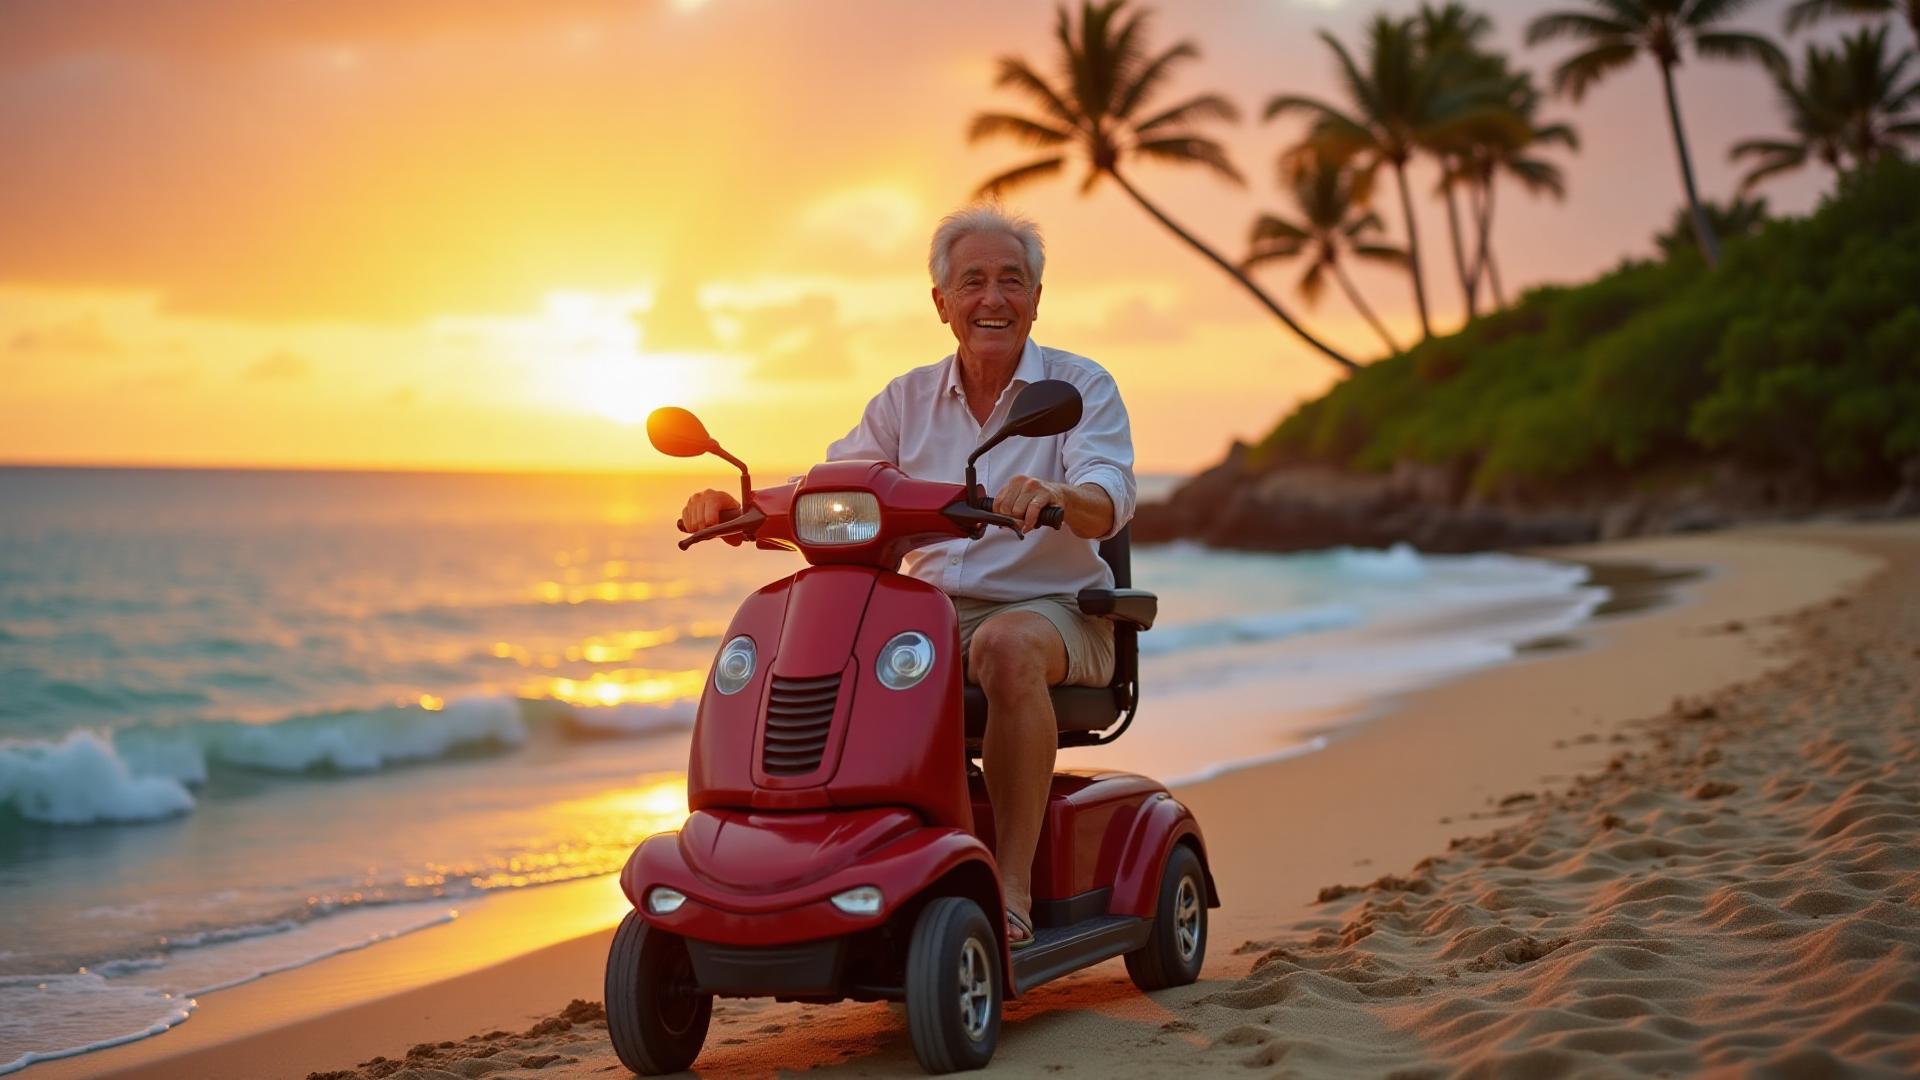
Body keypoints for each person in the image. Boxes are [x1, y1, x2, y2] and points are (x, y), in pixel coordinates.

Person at [679, 205, 1136, 947]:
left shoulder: (1077, 389)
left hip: (1057, 612)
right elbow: (834, 484)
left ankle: (1010, 889)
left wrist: (1057, 496)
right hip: (926, 618)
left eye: (1012, 282)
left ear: (1037, 299)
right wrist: (738, 509)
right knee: (811, 646)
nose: (994, 299)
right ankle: (806, 866)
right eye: (974, 282)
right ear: (942, 304)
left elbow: (1107, 494)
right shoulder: (904, 400)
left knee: (1006, 647)